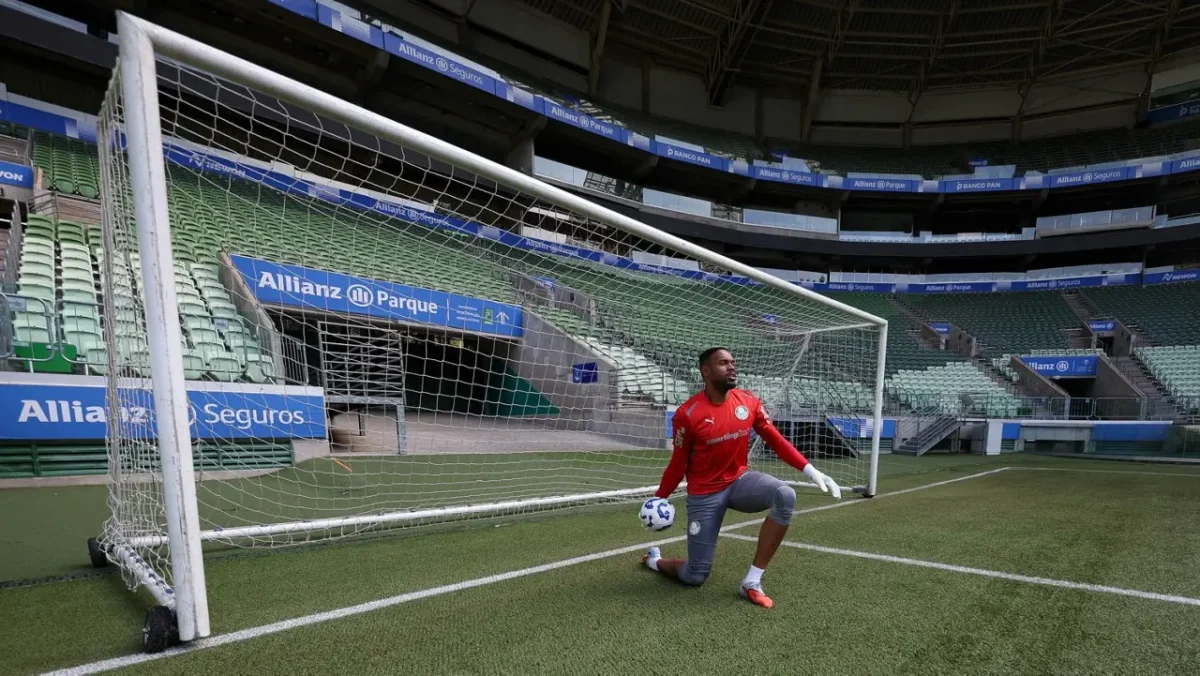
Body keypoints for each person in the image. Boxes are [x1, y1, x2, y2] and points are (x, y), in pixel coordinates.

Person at [641, 347, 842, 608]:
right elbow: (678, 464)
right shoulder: (687, 414)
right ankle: (654, 561)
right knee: (695, 576)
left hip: (739, 482)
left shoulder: (748, 402)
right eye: (724, 363)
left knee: (784, 495)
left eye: (732, 363)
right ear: (706, 371)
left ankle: (752, 581)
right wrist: (658, 499)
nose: (732, 367)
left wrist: (810, 470)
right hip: (704, 494)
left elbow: (776, 440)